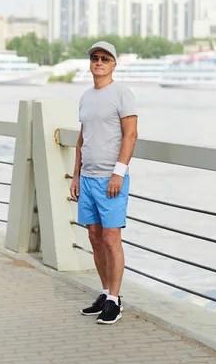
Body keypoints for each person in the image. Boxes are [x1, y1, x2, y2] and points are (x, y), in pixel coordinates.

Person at [70, 41, 138, 325]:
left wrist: (118, 173)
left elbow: (131, 135)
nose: (99, 62)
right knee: (94, 238)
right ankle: (105, 292)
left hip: (111, 180)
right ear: (90, 64)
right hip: (87, 178)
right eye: (95, 58)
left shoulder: (122, 93)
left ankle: (115, 301)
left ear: (113, 64)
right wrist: (75, 175)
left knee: (111, 240)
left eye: (105, 58)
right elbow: (82, 139)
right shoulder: (86, 96)